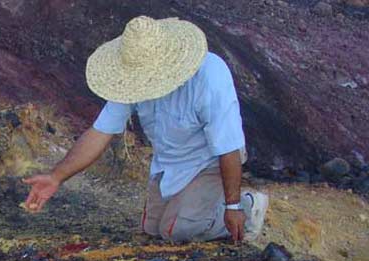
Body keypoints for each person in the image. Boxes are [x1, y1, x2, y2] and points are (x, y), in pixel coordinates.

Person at [23, 15, 268, 244]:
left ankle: (248, 206)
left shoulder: (210, 77)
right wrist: (57, 176)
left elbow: (227, 147)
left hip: (209, 161)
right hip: (169, 162)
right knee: (153, 231)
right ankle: (197, 206)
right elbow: (100, 132)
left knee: (176, 231)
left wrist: (233, 206)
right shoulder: (131, 75)